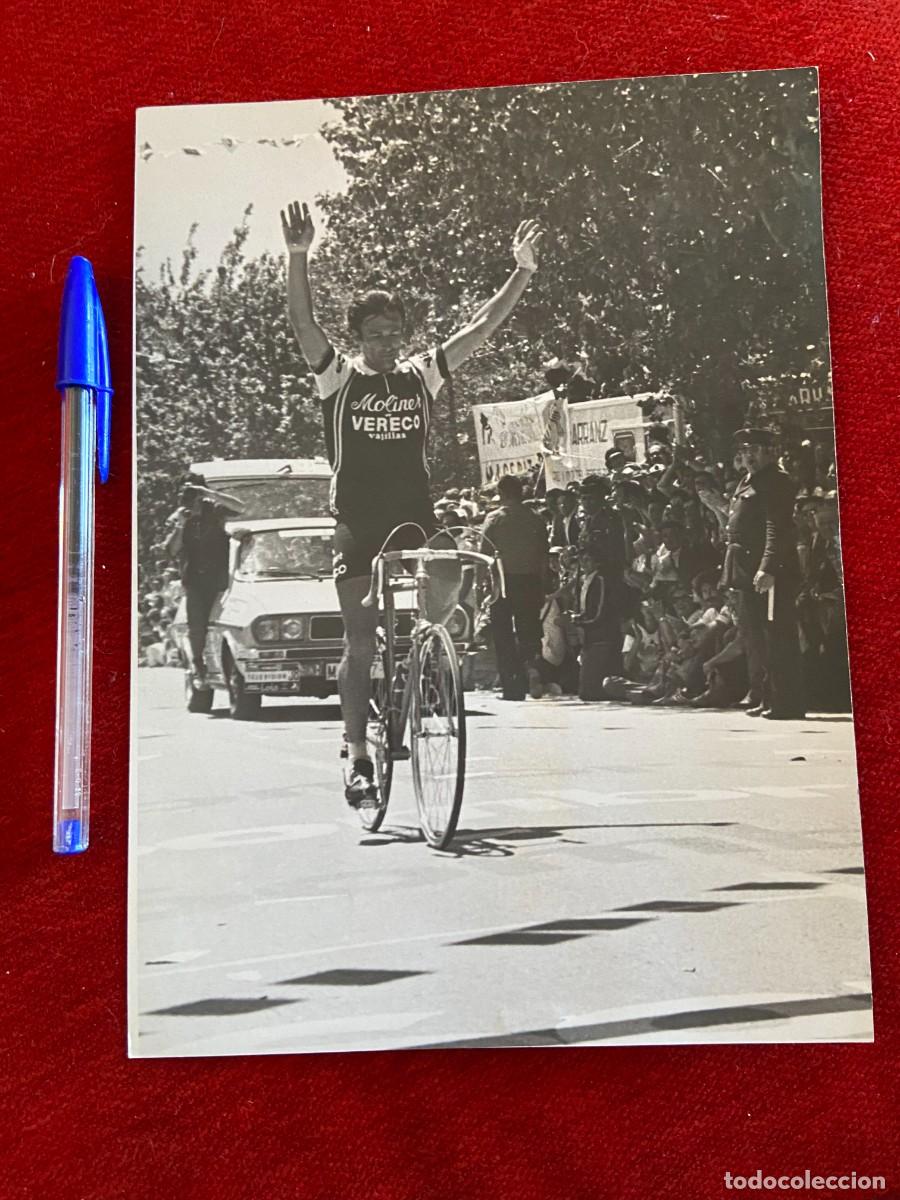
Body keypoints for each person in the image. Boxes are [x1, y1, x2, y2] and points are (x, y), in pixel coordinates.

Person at [281, 199, 544, 806]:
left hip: (413, 515)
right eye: (376, 336)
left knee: (449, 564)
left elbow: (481, 327)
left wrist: (523, 271)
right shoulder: (338, 378)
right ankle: (358, 755)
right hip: (357, 521)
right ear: (358, 339)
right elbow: (301, 322)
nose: (387, 345)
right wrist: (298, 257)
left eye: (395, 334)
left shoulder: (421, 375)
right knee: (360, 642)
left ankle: (425, 651)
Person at [721, 427, 805, 719]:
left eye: (754, 450)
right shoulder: (749, 480)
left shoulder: (776, 481)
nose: (749, 457)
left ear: (770, 452)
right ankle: (767, 696)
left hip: (769, 570)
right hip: (747, 570)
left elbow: (776, 528)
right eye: (744, 451)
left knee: (777, 636)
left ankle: (786, 702)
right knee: (757, 636)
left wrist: (768, 567)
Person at [164, 479, 242, 688]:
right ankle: (199, 665)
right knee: (196, 627)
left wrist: (210, 493)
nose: (192, 501)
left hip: (220, 580)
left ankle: (227, 664)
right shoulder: (181, 517)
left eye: (194, 495)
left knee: (222, 624)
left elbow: (240, 507)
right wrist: (181, 524)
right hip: (195, 582)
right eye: (187, 495)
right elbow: (171, 550)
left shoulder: (215, 510)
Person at [481, 474, 550, 700]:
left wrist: (482, 585)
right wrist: (541, 585)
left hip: (503, 581)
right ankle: (532, 668)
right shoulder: (536, 518)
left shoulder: (495, 518)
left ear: (501, 493)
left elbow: (484, 554)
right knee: (529, 629)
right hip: (531, 579)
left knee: (503, 633)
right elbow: (544, 554)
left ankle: (512, 686)